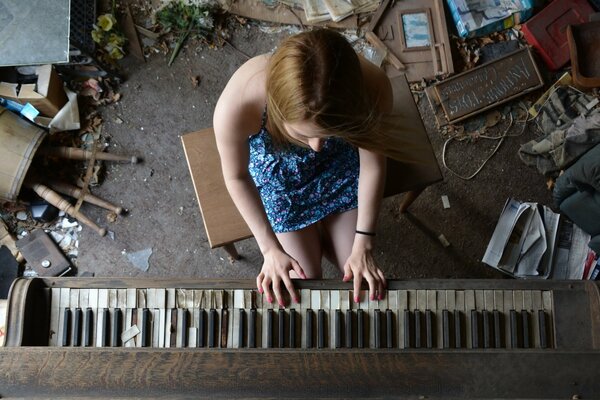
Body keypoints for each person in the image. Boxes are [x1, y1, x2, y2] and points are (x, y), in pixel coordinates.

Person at [213, 29, 397, 308]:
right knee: (304, 281)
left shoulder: (372, 87)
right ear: (275, 107)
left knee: (351, 269)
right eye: (302, 135)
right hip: (281, 183)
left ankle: (324, 241)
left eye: (329, 133)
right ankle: (319, 240)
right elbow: (236, 176)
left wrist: (364, 242)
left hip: (339, 171)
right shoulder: (239, 103)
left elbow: (373, 163)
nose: (316, 147)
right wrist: (269, 248)